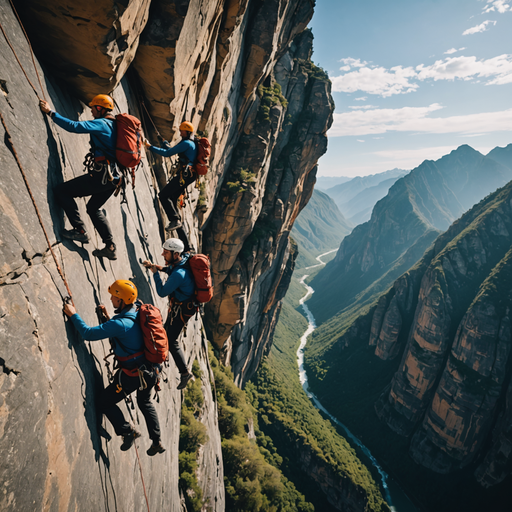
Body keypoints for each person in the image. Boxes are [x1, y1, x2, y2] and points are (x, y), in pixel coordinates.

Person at [63, 279, 165, 456]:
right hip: (151, 369)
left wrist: (73, 315)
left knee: (104, 401)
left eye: (114, 296)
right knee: (145, 402)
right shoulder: (137, 308)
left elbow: (87, 333)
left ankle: (127, 431)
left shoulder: (120, 324)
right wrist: (109, 318)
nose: (110, 298)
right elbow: (128, 331)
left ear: (123, 300)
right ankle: (156, 441)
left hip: (134, 375)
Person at [40, 95, 119, 260]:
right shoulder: (116, 126)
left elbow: (74, 126)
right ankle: (110, 246)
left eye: (93, 108)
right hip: (115, 179)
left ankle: (80, 231)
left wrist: (51, 113)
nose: (91, 111)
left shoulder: (102, 123)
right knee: (93, 208)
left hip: (102, 176)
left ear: (100, 108)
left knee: (62, 191)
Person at [142, 238, 196, 390]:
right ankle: (158, 362)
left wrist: (154, 273)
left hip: (181, 310)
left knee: (170, 340)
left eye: (166, 252)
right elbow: (170, 269)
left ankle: (184, 373)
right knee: (166, 335)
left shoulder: (179, 273)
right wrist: (157, 267)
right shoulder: (182, 260)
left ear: (176, 254)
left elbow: (162, 291)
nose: (162, 254)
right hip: (182, 307)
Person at [144, 122, 198, 252]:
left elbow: (168, 154)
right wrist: (163, 142)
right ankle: (186, 246)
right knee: (172, 203)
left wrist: (150, 147)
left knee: (163, 196)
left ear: (187, 132)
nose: (180, 133)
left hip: (184, 175)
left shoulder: (187, 143)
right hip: (188, 175)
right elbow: (172, 150)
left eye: (182, 131)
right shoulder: (191, 143)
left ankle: (175, 220)